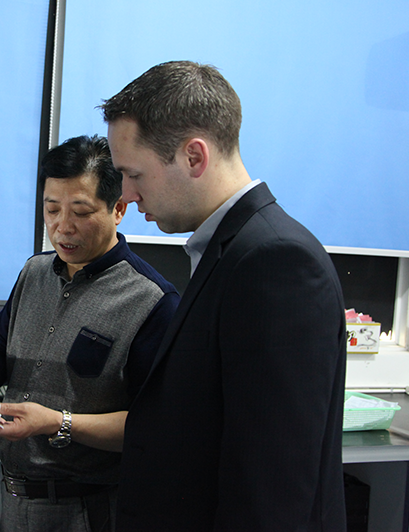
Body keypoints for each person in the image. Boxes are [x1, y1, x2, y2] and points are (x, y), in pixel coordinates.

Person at [102, 60, 347, 531]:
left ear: (194, 157)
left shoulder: (276, 262)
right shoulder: (229, 251)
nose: (127, 195)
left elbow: (272, 488)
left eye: (134, 174)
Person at [0, 135, 180, 532]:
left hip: (87, 509)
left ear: (119, 209)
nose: (62, 227)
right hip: (13, 498)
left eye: (81, 212)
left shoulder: (151, 301)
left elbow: (152, 428)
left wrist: (56, 422)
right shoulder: (34, 272)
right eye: (52, 209)